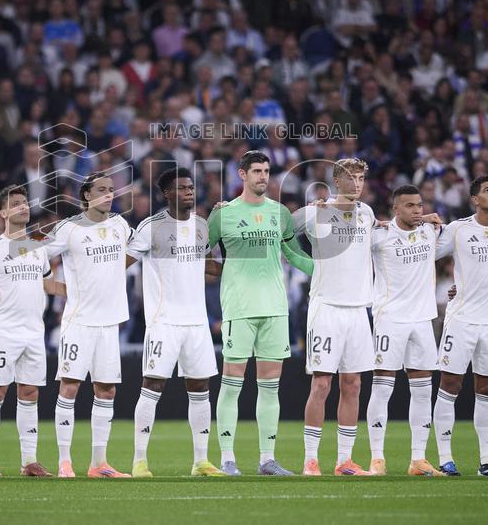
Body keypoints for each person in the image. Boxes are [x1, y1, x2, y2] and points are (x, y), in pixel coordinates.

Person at [207, 150, 314, 476]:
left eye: (266, 171)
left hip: (274, 309)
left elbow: (293, 254)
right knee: (232, 384)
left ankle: (267, 459)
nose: (263, 177)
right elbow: (196, 254)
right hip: (239, 309)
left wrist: (326, 271)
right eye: (256, 171)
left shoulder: (279, 213)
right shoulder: (222, 215)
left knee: (270, 386)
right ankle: (227, 459)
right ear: (242, 174)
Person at [128, 167, 225, 478]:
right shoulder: (150, 227)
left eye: (190, 187)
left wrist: (228, 239)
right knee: (152, 384)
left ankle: (201, 462)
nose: (189, 192)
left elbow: (211, 267)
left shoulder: (200, 226)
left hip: (196, 322)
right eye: (182, 188)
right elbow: (123, 262)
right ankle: (139, 460)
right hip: (164, 321)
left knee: (200, 387)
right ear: (167, 193)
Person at [0, 184, 63, 478]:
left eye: (25, 202)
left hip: (34, 331)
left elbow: (48, 284)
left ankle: (29, 461)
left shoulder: (35, 248)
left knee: (30, 392)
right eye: (16, 203)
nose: (23, 207)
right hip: (3, 331)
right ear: (3, 212)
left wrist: (81, 293)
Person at [45, 172, 135, 478]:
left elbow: (139, 249)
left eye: (111, 190)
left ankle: (99, 463)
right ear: (86, 195)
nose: (108, 195)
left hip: (109, 323)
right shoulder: (69, 229)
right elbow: (31, 252)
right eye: (101, 190)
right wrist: (55, 287)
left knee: (106, 390)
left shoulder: (121, 225)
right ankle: (64, 462)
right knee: (69, 387)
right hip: (79, 321)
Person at [293, 158, 378, 476]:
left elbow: (390, 230)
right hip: (326, 307)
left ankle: (344, 460)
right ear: (337, 181)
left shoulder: (367, 213)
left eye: (361, 178)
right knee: (321, 384)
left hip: (359, 310)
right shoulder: (318, 211)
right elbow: (285, 229)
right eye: (351, 178)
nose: (357, 184)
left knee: (353, 384)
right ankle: (310, 460)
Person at [432, 175, 488, 476]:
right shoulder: (459, 229)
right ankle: (444, 458)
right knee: (450, 385)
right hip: (462, 320)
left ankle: (487, 461)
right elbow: (427, 252)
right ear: (474, 199)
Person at [367, 184, 444, 476]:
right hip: (390, 319)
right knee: (382, 387)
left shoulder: (431, 231)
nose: (417, 210)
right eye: (410, 206)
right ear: (395, 208)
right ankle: (377, 458)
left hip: (423, 320)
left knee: (423, 391)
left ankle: (418, 460)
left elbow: (465, 234)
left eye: (420, 205)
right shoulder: (379, 237)